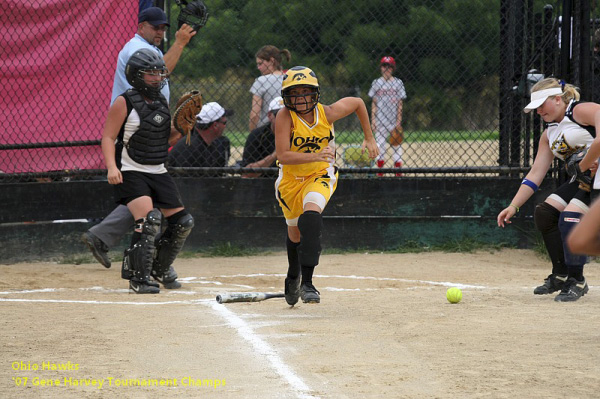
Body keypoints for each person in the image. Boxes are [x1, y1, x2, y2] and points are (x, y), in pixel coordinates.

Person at [82, 6, 196, 269]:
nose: (160, 32)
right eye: (155, 27)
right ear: (141, 25)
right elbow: (158, 73)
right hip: (134, 128)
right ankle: (149, 265)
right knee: (148, 205)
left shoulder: (151, 48)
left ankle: (103, 237)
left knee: (151, 195)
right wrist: (179, 43)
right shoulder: (136, 49)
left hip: (151, 124)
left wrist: (179, 127)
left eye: (163, 29)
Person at [275, 66, 379, 305]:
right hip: (290, 181)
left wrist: (369, 136)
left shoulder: (326, 113)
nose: (300, 98)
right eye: (294, 93)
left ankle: (308, 283)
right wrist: (315, 155)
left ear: (315, 93)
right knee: (295, 233)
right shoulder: (284, 117)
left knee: (310, 217)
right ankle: (293, 273)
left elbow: (358, 103)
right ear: (286, 96)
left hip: (320, 175)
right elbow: (283, 155)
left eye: (305, 92)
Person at [497, 77, 600, 302]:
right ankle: (561, 275)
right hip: (584, 179)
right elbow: (535, 174)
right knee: (545, 212)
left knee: (570, 217)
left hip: (595, 178)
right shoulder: (549, 135)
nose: (539, 111)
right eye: (536, 107)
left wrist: (584, 164)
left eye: (542, 104)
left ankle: (577, 280)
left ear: (557, 99)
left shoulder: (580, 111)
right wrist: (513, 206)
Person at [101, 49, 194, 294]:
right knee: (149, 221)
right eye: (150, 73)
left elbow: (164, 140)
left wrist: (183, 128)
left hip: (157, 169)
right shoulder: (124, 101)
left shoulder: (161, 102)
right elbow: (108, 137)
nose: (156, 77)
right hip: (131, 169)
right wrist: (112, 167)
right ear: (136, 75)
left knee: (183, 222)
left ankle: (159, 268)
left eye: (158, 72)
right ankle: (137, 277)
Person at [368, 56, 407, 176]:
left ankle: (398, 173)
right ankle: (380, 173)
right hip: (380, 120)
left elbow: (400, 104)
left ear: (393, 68)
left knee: (396, 147)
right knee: (380, 146)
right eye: (384, 65)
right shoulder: (376, 82)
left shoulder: (398, 83)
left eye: (389, 66)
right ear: (381, 67)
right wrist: (373, 120)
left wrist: (398, 122)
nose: (387, 68)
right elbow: (374, 103)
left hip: (393, 121)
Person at [168, 102, 233, 168]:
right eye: (224, 123)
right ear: (215, 125)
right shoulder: (189, 148)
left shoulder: (208, 144)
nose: (225, 126)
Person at [249, 45, 291, 131]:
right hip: (290, 127)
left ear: (272, 61)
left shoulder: (261, 81)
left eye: (260, 63)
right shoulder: (290, 79)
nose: (258, 67)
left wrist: (252, 135)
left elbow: (254, 115)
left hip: (266, 131)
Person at [240, 96, 284, 177]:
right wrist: (274, 156)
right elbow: (246, 174)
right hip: (262, 184)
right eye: (279, 115)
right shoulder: (257, 135)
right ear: (270, 116)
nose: (283, 119)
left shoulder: (297, 134)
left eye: (287, 115)